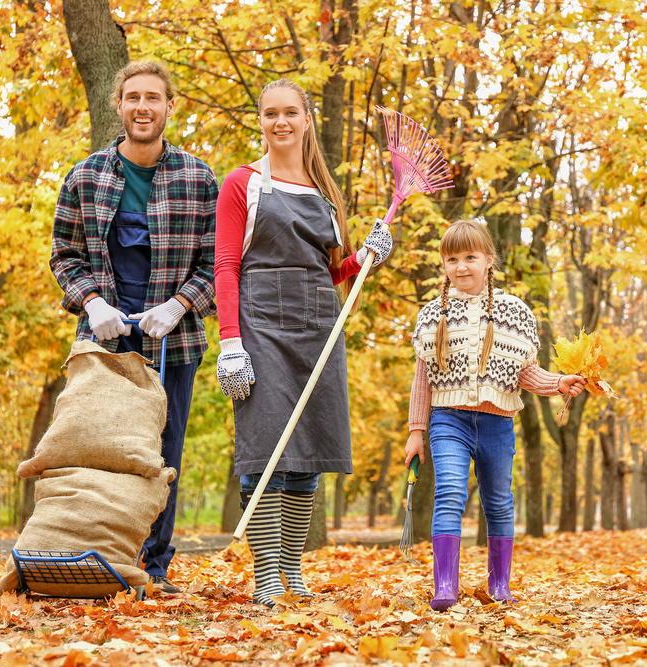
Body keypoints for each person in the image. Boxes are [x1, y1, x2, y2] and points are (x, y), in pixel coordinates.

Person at [213, 78, 392, 607]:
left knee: (309, 451)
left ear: (308, 118)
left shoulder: (327, 192)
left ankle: (292, 570)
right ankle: (266, 574)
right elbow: (226, 266)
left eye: (291, 112)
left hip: (319, 329)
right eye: (270, 114)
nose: (280, 122)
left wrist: (368, 259)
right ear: (261, 121)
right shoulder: (241, 183)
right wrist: (230, 344)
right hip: (260, 326)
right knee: (266, 447)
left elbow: (334, 272)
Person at [49, 61, 218, 594]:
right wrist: (92, 303)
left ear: (170, 107)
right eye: (133, 97)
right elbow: (64, 256)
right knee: (92, 446)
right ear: (118, 106)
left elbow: (218, 263)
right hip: (102, 342)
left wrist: (179, 306)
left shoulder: (199, 178)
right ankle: (85, 555)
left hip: (174, 342)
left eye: (154, 97)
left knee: (162, 455)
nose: (143, 106)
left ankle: (152, 566)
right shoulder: (84, 176)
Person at [404, 220, 586, 611]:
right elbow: (423, 380)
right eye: (452, 258)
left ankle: (499, 584)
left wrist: (559, 383)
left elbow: (524, 373)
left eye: (470, 256)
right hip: (447, 420)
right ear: (444, 264)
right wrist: (416, 431)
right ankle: (446, 585)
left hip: (497, 422)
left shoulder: (514, 313)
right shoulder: (432, 315)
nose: (461, 266)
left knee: (499, 501)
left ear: (489, 260)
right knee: (450, 492)